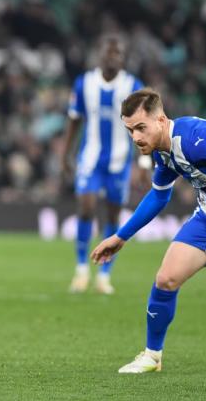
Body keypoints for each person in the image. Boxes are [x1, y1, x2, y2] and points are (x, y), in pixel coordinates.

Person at [91, 88, 206, 373]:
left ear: (161, 120)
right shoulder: (163, 153)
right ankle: (152, 356)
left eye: (141, 128)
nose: (136, 137)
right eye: (130, 131)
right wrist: (120, 237)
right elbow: (159, 196)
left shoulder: (195, 140)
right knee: (166, 278)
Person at [61, 34, 144, 294]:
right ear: (100, 54)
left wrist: (143, 161)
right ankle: (82, 269)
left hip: (119, 161)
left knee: (113, 215)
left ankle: (104, 275)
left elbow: (143, 126)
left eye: (118, 53)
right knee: (86, 207)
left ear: (123, 57)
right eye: (109, 52)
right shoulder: (84, 83)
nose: (113, 57)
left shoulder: (133, 85)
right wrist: (66, 154)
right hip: (90, 159)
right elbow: (74, 120)